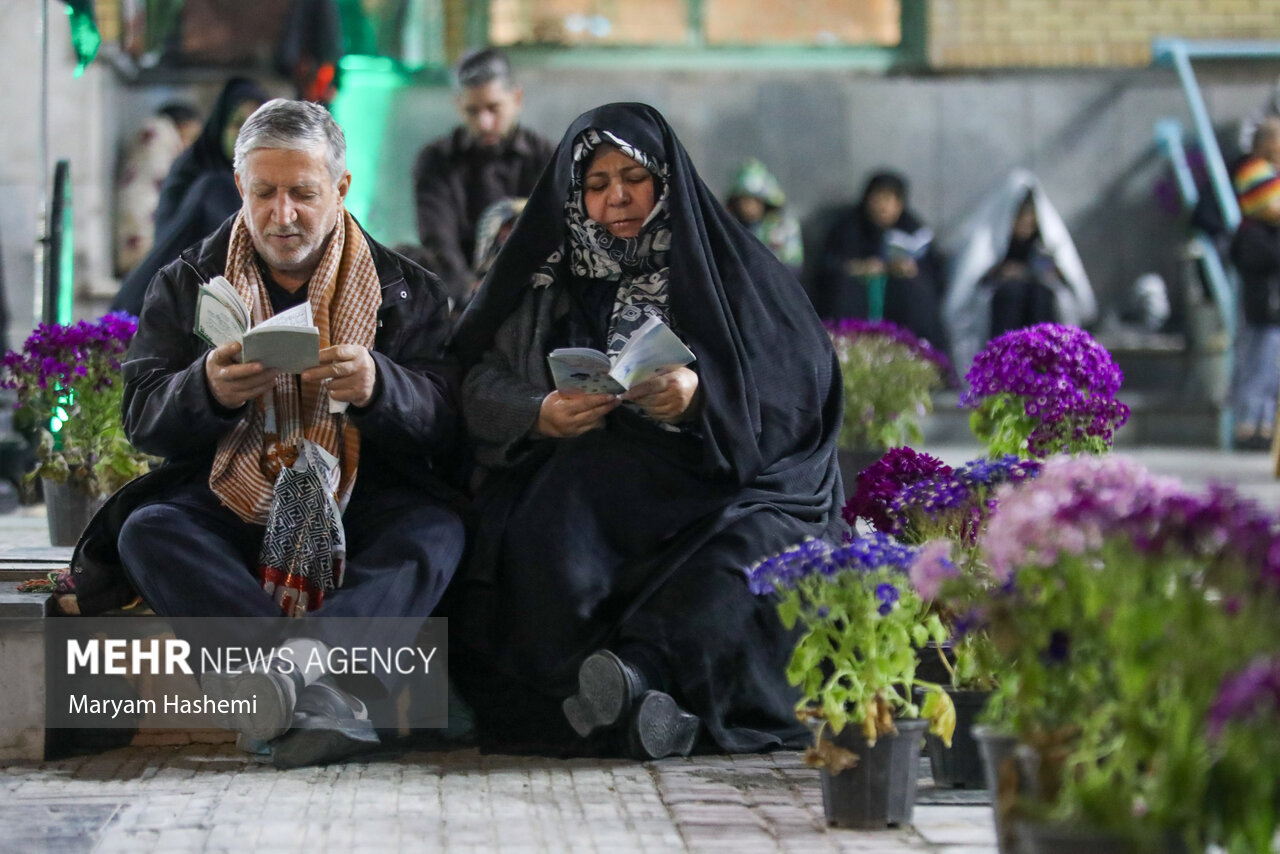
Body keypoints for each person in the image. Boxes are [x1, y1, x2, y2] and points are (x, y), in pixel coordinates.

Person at [449, 103, 843, 759]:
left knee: (730, 575)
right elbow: (474, 379)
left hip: (732, 486)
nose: (617, 197)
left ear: (666, 179)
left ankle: (637, 684)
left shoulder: (728, 267)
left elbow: (798, 389)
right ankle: (618, 700)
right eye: (596, 185)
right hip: (603, 480)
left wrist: (698, 400)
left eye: (632, 177)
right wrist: (539, 411)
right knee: (541, 536)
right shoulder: (550, 278)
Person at [78, 99, 464, 768]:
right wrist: (206, 390)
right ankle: (323, 697)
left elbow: (448, 419)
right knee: (150, 529)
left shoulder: (407, 289)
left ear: (341, 189)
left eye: (303, 194)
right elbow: (142, 416)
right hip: (236, 487)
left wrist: (380, 387)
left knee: (436, 532)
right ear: (240, 187)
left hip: (358, 489)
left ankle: (286, 679)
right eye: (265, 193)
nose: (282, 215)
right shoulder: (190, 280)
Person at [113, 77, 269, 316]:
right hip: (177, 306)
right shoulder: (203, 179)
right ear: (220, 125)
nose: (245, 136)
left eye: (256, 127)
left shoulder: (265, 183)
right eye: (237, 123)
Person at [412, 49, 554, 311]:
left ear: (517, 98)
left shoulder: (547, 158)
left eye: (493, 108)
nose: (484, 122)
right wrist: (467, 291)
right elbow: (438, 240)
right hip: (458, 291)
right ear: (458, 106)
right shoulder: (436, 161)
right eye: (472, 111)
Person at [943, 170, 1097, 373]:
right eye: (1020, 217)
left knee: (1040, 296)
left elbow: (1071, 283)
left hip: (1039, 306)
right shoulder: (991, 242)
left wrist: (1048, 274)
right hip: (1003, 308)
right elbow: (971, 284)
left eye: (1030, 217)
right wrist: (1002, 273)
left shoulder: (1045, 243)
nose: (1026, 224)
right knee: (1011, 293)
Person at [814, 171, 948, 351]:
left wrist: (908, 270)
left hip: (901, 305)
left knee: (916, 291)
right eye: (879, 199)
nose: (884, 207)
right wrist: (860, 268)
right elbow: (829, 267)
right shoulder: (848, 229)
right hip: (860, 302)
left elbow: (935, 273)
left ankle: (917, 353)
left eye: (892, 200)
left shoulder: (913, 229)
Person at [113, 101, 202, 276]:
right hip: (144, 211)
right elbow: (165, 176)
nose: (191, 143)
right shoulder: (158, 134)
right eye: (192, 135)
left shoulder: (153, 134)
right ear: (183, 125)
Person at [1229, 156, 1280, 450]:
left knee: (1272, 375)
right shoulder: (1251, 235)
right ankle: (1248, 426)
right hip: (1263, 315)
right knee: (1258, 370)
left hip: (1273, 316)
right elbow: (1269, 259)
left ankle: (1266, 425)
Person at [724, 158, 803, 277]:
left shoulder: (783, 227)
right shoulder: (728, 228)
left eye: (756, 200)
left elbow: (793, 267)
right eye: (744, 199)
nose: (749, 206)